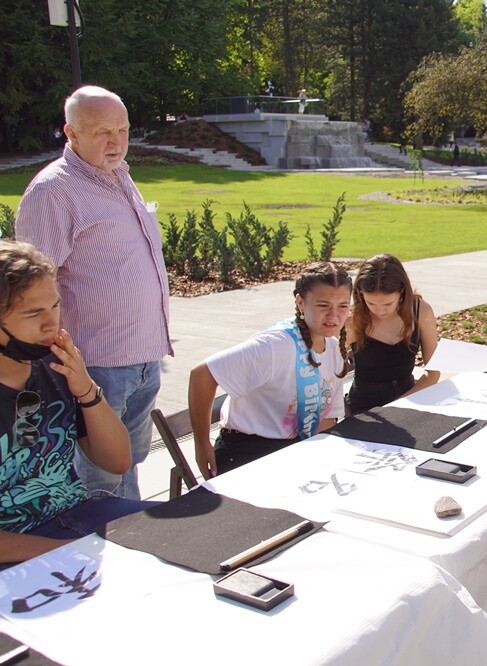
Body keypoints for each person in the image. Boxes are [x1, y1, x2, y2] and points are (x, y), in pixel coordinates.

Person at [16, 86, 171, 500]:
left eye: (122, 129)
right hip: (95, 365)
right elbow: (30, 290)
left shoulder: (119, 175)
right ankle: (100, 554)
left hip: (143, 358)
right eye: (102, 131)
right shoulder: (54, 191)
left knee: (129, 463)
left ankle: (132, 537)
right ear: (71, 133)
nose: (116, 141)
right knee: (96, 478)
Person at [0, 240, 156, 566]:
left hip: (79, 515)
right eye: (33, 313)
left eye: (55, 306)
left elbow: (116, 462)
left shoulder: (55, 368)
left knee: (192, 534)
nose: (51, 323)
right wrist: (66, 553)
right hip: (22, 548)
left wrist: (85, 389)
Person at [187, 263, 352, 479]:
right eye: (323, 305)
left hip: (296, 451)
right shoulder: (275, 346)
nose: (333, 315)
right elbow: (202, 375)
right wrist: (201, 444)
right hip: (247, 454)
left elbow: (327, 418)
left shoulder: (333, 347)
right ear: (300, 302)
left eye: (342, 306)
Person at [344, 254, 440, 414]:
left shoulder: (420, 311)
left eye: (388, 303)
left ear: (402, 291)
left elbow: (433, 373)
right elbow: (327, 375)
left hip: (410, 401)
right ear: (360, 294)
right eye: (371, 303)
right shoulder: (353, 320)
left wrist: (398, 406)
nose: (380, 310)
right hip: (364, 410)